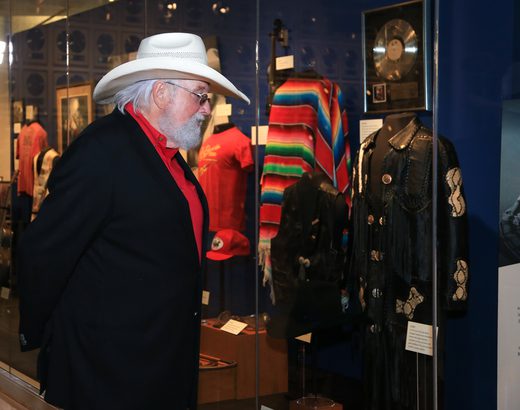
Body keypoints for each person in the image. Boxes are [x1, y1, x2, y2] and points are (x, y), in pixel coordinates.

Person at [17, 32, 249, 410]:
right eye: (200, 96)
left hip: (162, 364)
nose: (207, 109)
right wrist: (59, 344)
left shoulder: (170, 156)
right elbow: (43, 251)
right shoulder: (102, 150)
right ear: (161, 93)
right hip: (108, 374)